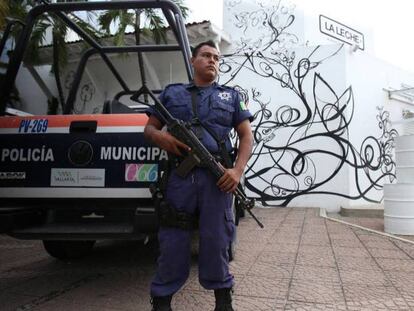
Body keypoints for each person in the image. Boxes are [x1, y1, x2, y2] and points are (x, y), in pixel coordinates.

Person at [144, 40, 253, 311]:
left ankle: (223, 298)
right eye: (206, 55)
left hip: (218, 179)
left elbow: (246, 135)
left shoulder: (231, 96)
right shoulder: (173, 93)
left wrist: (237, 171)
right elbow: (149, 129)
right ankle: (162, 299)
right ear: (193, 61)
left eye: (216, 57)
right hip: (180, 177)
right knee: (173, 238)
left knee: (217, 238)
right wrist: (162, 138)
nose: (212, 60)